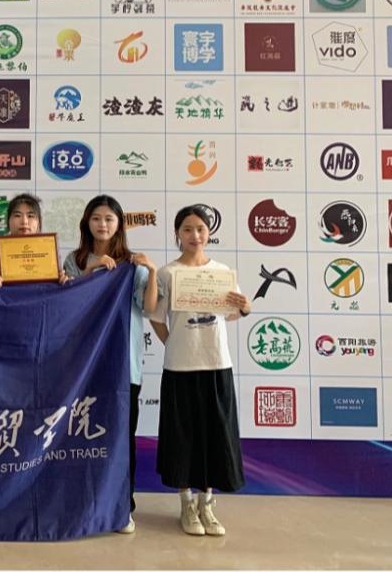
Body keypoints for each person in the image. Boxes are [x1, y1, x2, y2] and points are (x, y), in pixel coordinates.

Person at [150, 205, 251, 537]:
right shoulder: (167, 273)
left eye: (201, 229)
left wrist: (246, 307)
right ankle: (186, 504)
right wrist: (174, 343)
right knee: (182, 436)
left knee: (213, 434)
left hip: (216, 363)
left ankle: (207, 504)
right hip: (180, 365)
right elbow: (156, 318)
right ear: (177, 234)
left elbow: (233, 312)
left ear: (209, 233)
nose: (195, 235)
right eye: (187, 229)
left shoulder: (221, 272)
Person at [61, 195, 158, 535]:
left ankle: (122, 506)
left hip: (124, 364)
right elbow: (66, 302)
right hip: (85, 364)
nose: (102, 224)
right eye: (96, 218)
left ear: (119, 225)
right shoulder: (74, 260)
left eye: (109, 219)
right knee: (82, 436)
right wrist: (91, 272)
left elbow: (148, 308)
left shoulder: (133, 263)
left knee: (122, 437)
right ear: (86, 222)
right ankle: (83, 504)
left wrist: (152, 271)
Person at [0, 193, 68, 287]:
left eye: (30, 216)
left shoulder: (50, 258)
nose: (24, 221)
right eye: (17, 215)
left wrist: (63, 283)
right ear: (8, 221)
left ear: (39, 222)